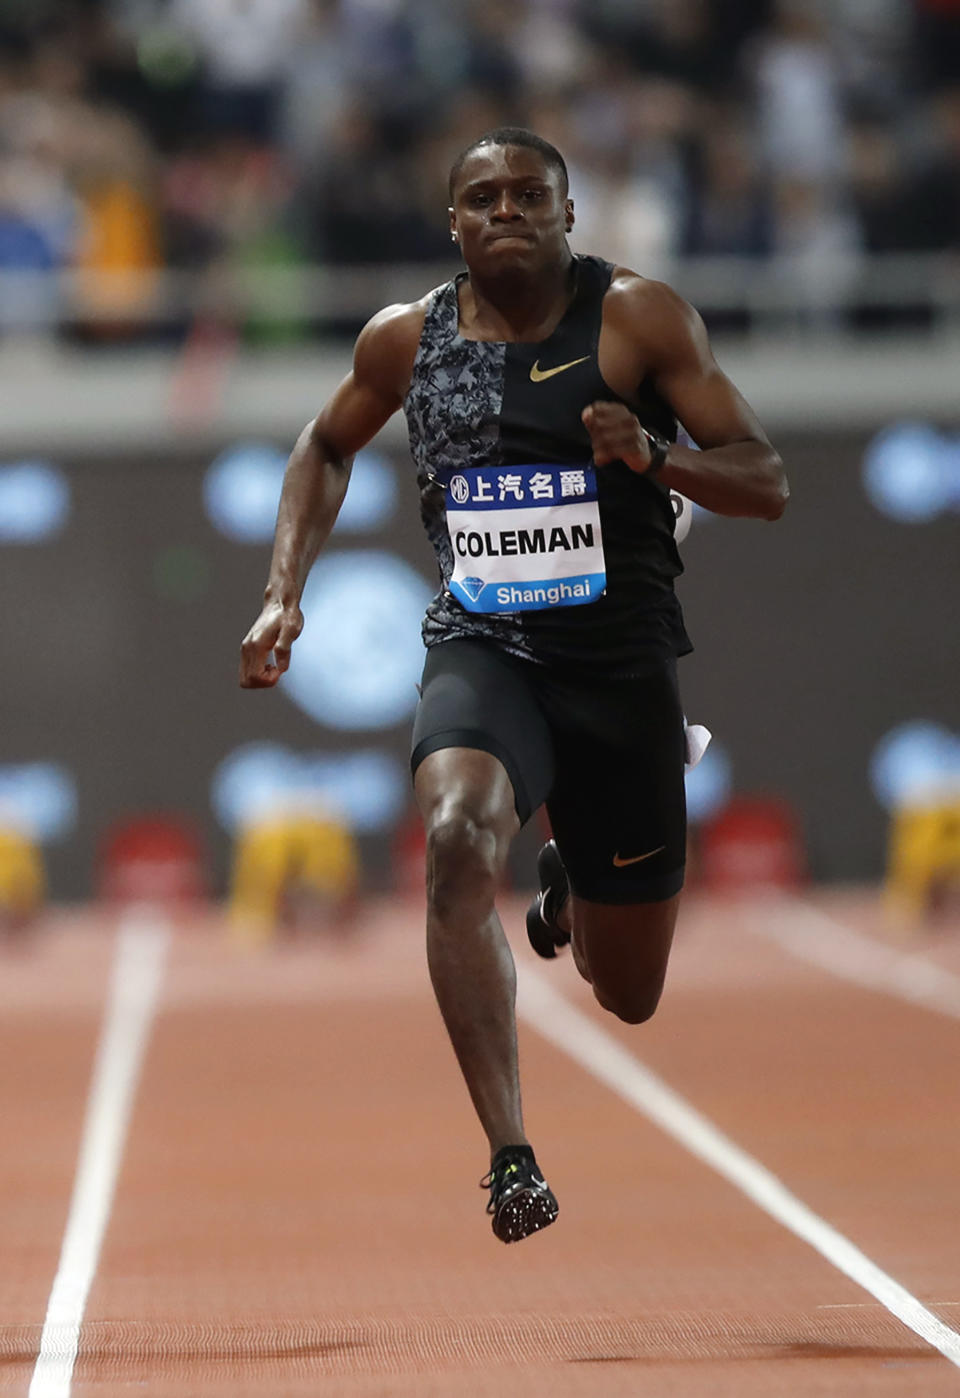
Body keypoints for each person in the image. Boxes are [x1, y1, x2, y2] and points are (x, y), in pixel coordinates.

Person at [239, 127, 788, 1244]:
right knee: (452, 835)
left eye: (529, 193)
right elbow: (325, 444)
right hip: (484, 648)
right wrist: (282, 590)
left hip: (621, 666)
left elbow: (766, 480)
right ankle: (511, 1157)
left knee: (627, 991)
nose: (505, 210)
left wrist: (655, 455)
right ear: (453, 223)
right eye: (481, 196)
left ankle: (568, 890)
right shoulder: (406, 339)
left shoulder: (638, 318)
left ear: (568, 212)